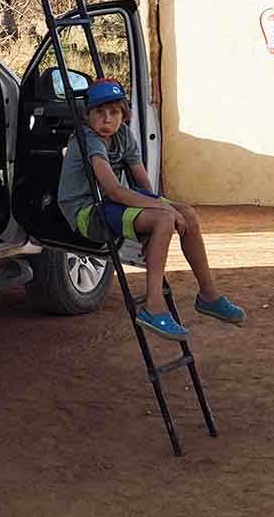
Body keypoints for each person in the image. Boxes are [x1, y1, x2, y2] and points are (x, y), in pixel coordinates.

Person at [57, 77, 245, 339]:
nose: (106, 119)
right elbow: (114, 190)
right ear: (88, 116)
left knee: (187, 214)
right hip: (87, 212)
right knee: (163, 220)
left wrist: (162, 204)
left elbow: (142, 183)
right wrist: (162, 210)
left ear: (124, 114)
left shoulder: (122, 135)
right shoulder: (88, 139)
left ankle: (208, 295)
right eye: (99, 113)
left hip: (109, 204)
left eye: (113, 112)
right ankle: (153, 307)